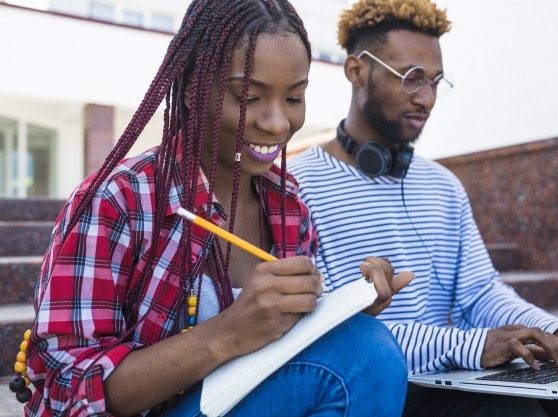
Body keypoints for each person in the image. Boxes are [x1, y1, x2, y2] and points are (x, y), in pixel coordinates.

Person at [18, 0, 413, 415]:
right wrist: (226, 334)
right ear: (192, 87)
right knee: (366, 355)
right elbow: (63, 389)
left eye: (294, 97)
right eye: (249, 96)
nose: (277, 122)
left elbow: (281, 350)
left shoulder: (287, 204)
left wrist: (336, 315)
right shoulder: (118, 200)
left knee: (362, 342)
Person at [288, 0, 558, 416]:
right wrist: (473, 345)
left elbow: (481, 293)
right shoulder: (297, 187)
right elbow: (331, 332)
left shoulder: (443, 185)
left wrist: (553, 329)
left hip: (454, 373)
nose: (427, 98)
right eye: (411, 78)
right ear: (357, 70)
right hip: (384, 383)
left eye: (435, 81)